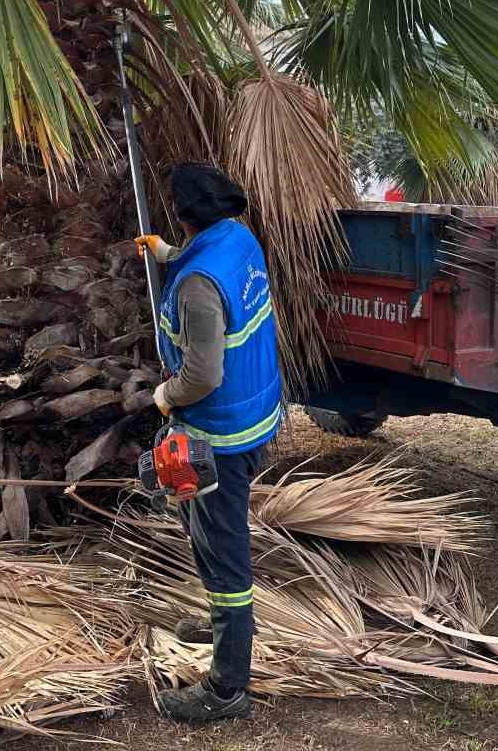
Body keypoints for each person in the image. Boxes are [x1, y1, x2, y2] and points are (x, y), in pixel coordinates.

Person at [134, 162, 282, 724]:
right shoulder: (238, 239)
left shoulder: (198, 288)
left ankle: (226, 688)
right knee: (211, 534)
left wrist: (166, 398)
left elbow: (202, 375)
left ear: (182, 211)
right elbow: (207, 274)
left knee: (222, 554)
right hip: (255, 415)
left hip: (218, 432)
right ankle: (225, 625)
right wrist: (167, 254)